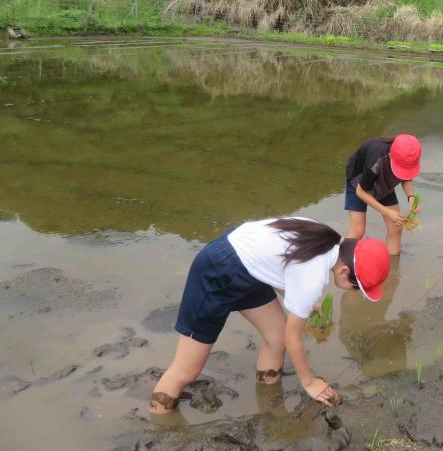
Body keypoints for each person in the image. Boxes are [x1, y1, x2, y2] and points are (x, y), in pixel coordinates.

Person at [149, 217, 390, 413]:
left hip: (248, 269)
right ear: (345, 270)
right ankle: (159, 421)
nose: (355, 292)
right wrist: (309, 382)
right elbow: (294, 337)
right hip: (217, 271)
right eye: (357, 287)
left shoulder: (325, 237)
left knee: (276, 339)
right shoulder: (313, 274)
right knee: (186, 370)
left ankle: (268, 404)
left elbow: (278, 262)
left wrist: (300, 301)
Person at [345, 134, 421, 255]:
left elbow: (406, 177)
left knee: (396, 227)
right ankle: (339, 258)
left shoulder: (408, 155)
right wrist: (386, 211)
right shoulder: (376, 158)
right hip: (359, 182)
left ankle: (392, 269)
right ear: (392, 156)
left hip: (384, 182)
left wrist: (410, 196)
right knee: (358, 231)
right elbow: (361, 191)